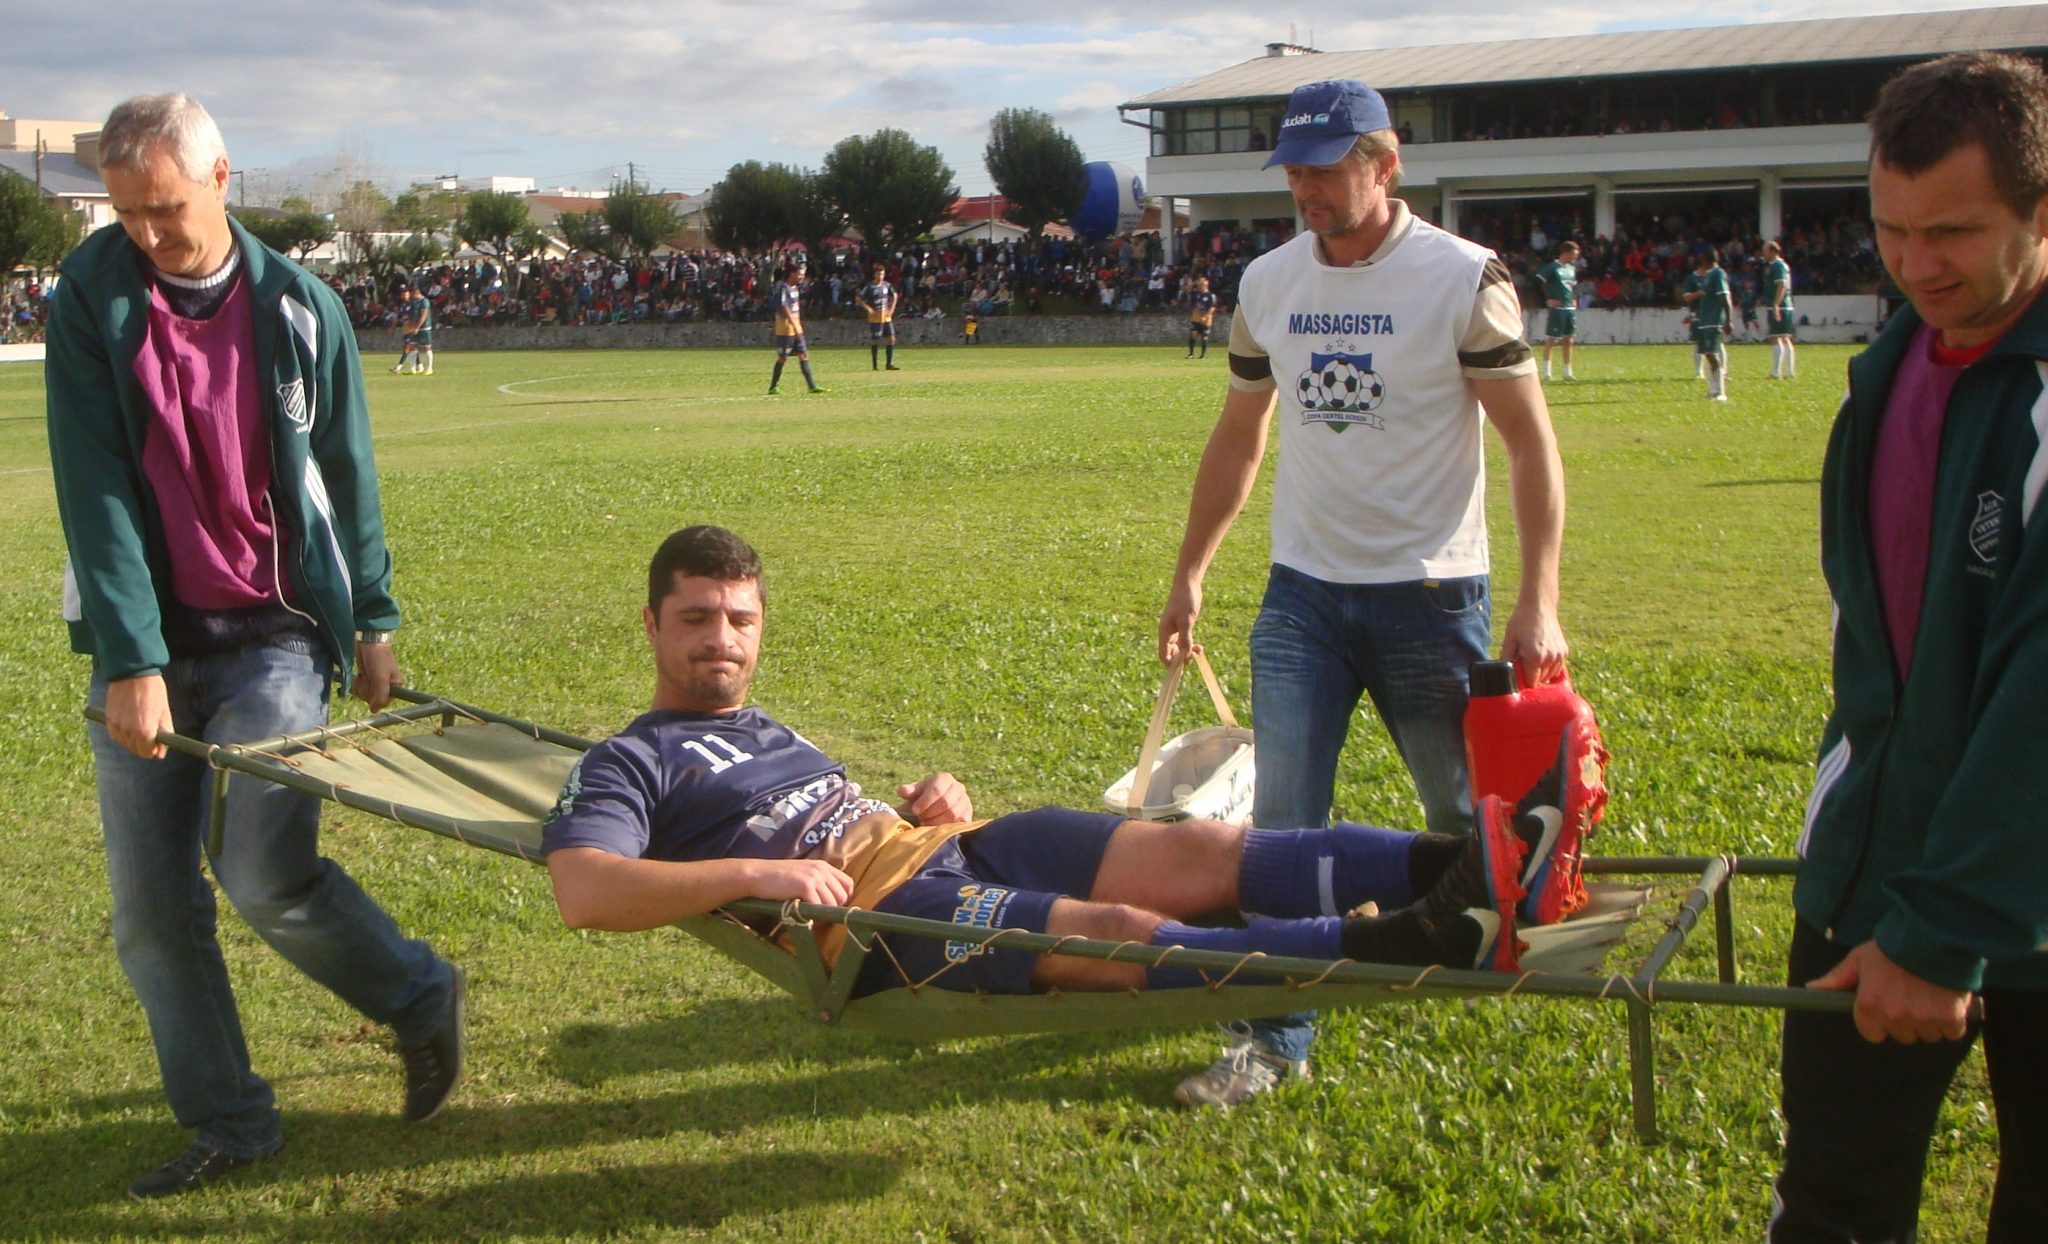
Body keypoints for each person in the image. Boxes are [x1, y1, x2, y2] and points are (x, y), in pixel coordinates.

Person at [542, 527, 1589, 1007]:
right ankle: (1422, 936)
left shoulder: (767, 725)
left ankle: (1478, 859)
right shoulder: (629, 759)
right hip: (877, 919)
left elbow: (839, 812)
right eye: (696, 618)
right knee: (1120, 931)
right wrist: (757, 874)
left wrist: (935, 800)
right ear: (652, 625)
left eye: (739, 618)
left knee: (1207, 848)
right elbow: (584, 890)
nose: (720, 639)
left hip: (946, 845)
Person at [41, 94, 465, 1200]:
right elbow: (93, 489)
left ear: (222, 180)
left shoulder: (301, 306)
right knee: (150, 913)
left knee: (263, 869)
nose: (147, 234)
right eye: (127, 214)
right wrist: (132, 661)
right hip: (147, 645)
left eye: (166, 209)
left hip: (276, 635)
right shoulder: (89, 297)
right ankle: (230, 1119)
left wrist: (372, 619)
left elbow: (346, 470)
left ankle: (418, 995)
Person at [1157, 79, 1569, 1109]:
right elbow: (1239, 435)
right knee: (1282, 827)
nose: (1304, 189)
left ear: (1384, 165)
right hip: (1301, 599)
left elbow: (1529, 444)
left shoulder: (1463, 278)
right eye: (1293, 171)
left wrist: (1540, 598)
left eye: (1325, 169)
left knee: (1458, 815)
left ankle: (1504, 927)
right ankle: (1273, 1033)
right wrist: (1190, 571)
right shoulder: (1267, 282)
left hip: (1430, 596)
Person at [1770, 51, 2048, 1243]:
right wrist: (1858, 855)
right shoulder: (1879, 378)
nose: (1914, 264)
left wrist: (1946, 927)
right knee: (1829, 1207)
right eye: (1890, 229)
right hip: (1870, 880)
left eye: (1952, 232)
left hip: (2006, 897)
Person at [1680, 249, 1733, 400]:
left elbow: (1725, 297)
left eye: (1701, 257)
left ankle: (1721, 392)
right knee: (1708, 354)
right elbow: (1704, 300)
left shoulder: (1718, 273)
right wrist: (1695, 315)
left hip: (1714, 320)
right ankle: (1713, 391)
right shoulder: (1708, 275)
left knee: (1713, 354)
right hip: (1704, 320)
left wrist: (1728, 320)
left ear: (1706, 259)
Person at [767, 256, 823, 395]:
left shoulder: (795, 288)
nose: (802, 277)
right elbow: (783, 307)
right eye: (799, 274)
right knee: (783, 357)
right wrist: (794, 324)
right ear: (792, 273)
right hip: (786, 329)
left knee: (803, 354)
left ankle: (812, 386)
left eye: (803, 275)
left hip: (796, 327)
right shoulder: (783, 287)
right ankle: (773, 386)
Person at [1538, 241, 1580, 381]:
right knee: (1553, 339)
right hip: (1557, 309)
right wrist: (1548, 299)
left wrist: (1573, 298)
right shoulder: (1553, 267)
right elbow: (1538, 282)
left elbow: (1571, 286)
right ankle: (1546, 372)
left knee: (1569, 339)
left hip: (1569, 307)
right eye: (1573, 254)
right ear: (1565, 253)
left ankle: (1567, 372)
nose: (1575, 257)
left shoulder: (1571, 268)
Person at [1761, 240, 1797, 380]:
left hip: (1780, 305)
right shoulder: (1777, 266)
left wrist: (1776, 304)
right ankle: (1789, 372)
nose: (1763, 253)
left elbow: (1782, 285)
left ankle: (1776, 373)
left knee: (1775, 337)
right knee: (1785, 338)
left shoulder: (1778, 266)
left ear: (1773, 251)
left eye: (1765, 251)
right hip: (1784, 305)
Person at [859, 264, 900, 372]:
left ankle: (889, 364)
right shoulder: (870, 287)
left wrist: (891, 309)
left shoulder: (887, 285)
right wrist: (869, 309)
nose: (880, 276)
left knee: (891, 339)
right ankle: (875, 365)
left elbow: (895, 296)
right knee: (875, 340)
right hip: (875, 318)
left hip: (886, 317)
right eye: (878, 274)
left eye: (882, 274)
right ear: (874, 275)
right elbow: (859, 299)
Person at [391, 284, 433, 375]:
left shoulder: (424, 301)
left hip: (424, 327)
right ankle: (412, 369)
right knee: (412, 346)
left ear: (416, 292)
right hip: (414, 327)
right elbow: (412, 315)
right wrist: (412, 325)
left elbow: (423, 316)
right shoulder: (414, 302)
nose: (411, 296)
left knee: (426, 347)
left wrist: (417, 327)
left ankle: (429, 368)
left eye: (412, 293)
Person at [1186, 276, 1219, 359]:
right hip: (1195, 317)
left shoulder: (1210, 295)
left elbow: (1212, 308)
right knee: (1193, 334)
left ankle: (1202, 355)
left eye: (1200, 285)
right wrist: (1193, 284)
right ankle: (1191, 354)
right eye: (1198, 285)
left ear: (1205, 286)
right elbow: (1187, 290)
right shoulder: (1196, 293)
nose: (1198, 287)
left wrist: (1205, 317)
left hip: (1206, 319)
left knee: (1204, 336)